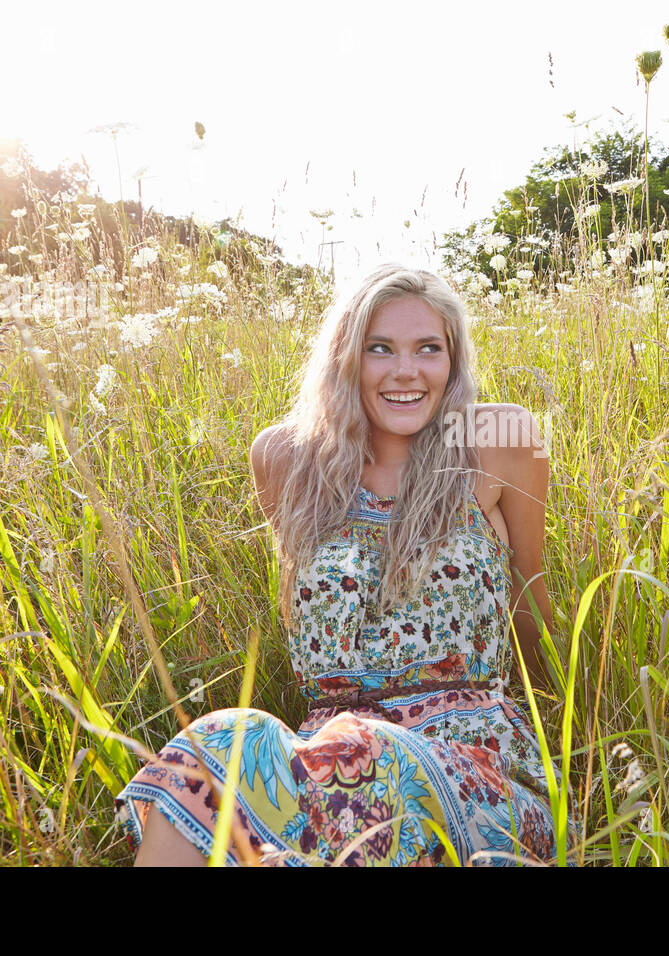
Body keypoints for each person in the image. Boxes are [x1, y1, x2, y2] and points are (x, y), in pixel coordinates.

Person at [114, 263, 565, 866]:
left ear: (452, 363)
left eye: (428, 349)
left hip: (476, 765)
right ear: (346, 357)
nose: (406, 370)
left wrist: (555, 728)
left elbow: (529, 598)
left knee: (365, 751)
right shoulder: (286, 459)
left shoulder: (499, 442)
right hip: (324, 767)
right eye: (381, 349)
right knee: (219, 737)